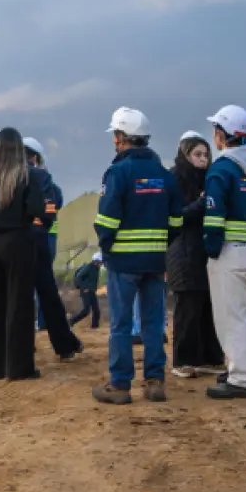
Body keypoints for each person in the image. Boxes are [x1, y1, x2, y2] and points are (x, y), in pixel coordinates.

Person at [92, 107, 183, 405]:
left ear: (121, 138)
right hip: (155, 261)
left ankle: (120, 386)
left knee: (120, 323)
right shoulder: (163, 174)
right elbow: (177, 221)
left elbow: (106, 221)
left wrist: (107, 248)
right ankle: (155, 382)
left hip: (123, 262)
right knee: (153, 322)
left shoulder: (118, 172)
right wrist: (160, 244)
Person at [0, 128, 45, 381]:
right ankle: (19, 367)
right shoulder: (27, 175)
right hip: (18, 240)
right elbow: (37, 209)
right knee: (19, 303)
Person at [203, 105, 246, 399]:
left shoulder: (221, 170)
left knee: (233, 318)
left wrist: (211, 250)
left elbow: (214, 219)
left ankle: (240, 378)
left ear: (222, 135)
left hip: (231, 254)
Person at [166, 131, 225, 379]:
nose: (202, 159)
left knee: (208, 305)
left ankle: (210, 357)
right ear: (185, 155)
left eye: (205, 154)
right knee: (188, 307)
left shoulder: (211, 180)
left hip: (205, 252)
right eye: (196, 154)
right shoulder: (175, 180)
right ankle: (184, 360)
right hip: (182, 251)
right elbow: (176, 216)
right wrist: (201, 204)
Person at [24, 137, 82, 359]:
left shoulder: (11, 178)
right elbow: (53, 205)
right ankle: (64, 344)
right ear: (37, 158)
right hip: (43, 240)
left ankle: (25, 342)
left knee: (22, 294)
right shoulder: (45, 180)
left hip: (18, 242)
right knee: (47, 293)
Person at [68, 252, 103, 328]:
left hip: (92, 291)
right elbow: (78, 277)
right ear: (95, 261)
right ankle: (71, 321)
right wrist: (84, 288)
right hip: (86, 291)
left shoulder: (96, 268)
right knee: (86, 310)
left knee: (96, 311)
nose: (101, 263)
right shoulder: (88, 267)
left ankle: (95, 327)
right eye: (100, 262)